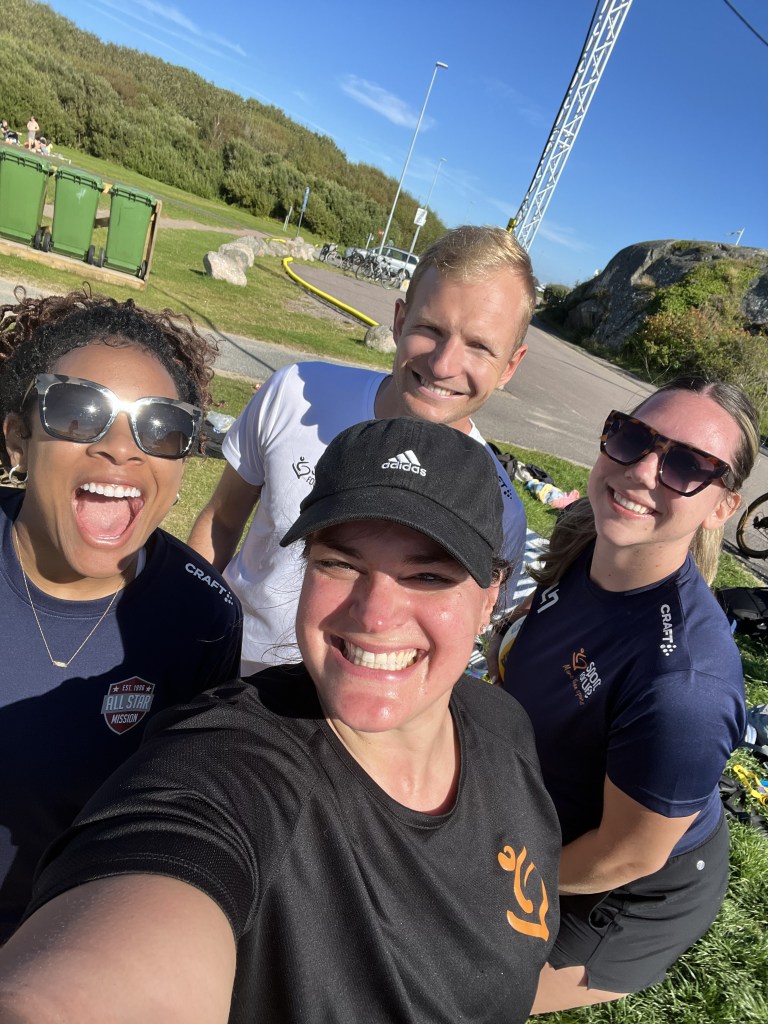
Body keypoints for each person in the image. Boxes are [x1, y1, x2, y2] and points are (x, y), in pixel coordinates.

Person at [0, 417, 561, 1024]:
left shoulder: (502, 728)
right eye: (341, 564)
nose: (375, 615)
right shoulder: (231, 767)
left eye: (429, 576)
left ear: (491, 595)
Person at [494, 375, 759, 1012]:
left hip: (625, 894)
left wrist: (482, 876)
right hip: (548, 808)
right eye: (633, 436)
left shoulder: (685, 687)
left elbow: (627, 857)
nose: (642, 471)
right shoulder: (584, 538)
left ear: (723, 506)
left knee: (451, 992)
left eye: (688, 466)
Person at [0, 290, 243, 942]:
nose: (119, 449)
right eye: (78, 412)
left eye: (160, 427)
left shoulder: (203, 617)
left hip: (66, 951)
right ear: (19, 438)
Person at [189, 224, 535, 675]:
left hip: (351, 705)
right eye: (430, 329)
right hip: (225, 665)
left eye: (479, 346)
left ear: (510, 366)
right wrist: (187, 629)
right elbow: (221, 519)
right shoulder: (294, 392)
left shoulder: (500, 511)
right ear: (399, 321)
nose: (444, 364)